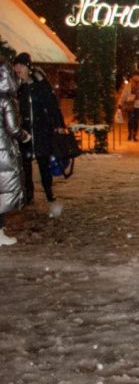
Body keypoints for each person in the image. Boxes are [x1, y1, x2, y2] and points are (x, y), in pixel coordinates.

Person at [13, 52, 66, 215]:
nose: (18, 69)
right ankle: (29, 196)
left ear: (28, 68)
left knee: (44, 163)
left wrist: (58, 123)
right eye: (16, 66)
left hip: (41, 130)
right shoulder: (15, 86)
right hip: (25, 132)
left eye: (21, 66)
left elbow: (51, 104)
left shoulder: (40, 84)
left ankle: (49, 193)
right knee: (25, 165)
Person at [0, 58, 25, 246]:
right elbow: (13, 128)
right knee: (3, 190)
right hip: (2, 151)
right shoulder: (5, 99)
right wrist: (25, 136)